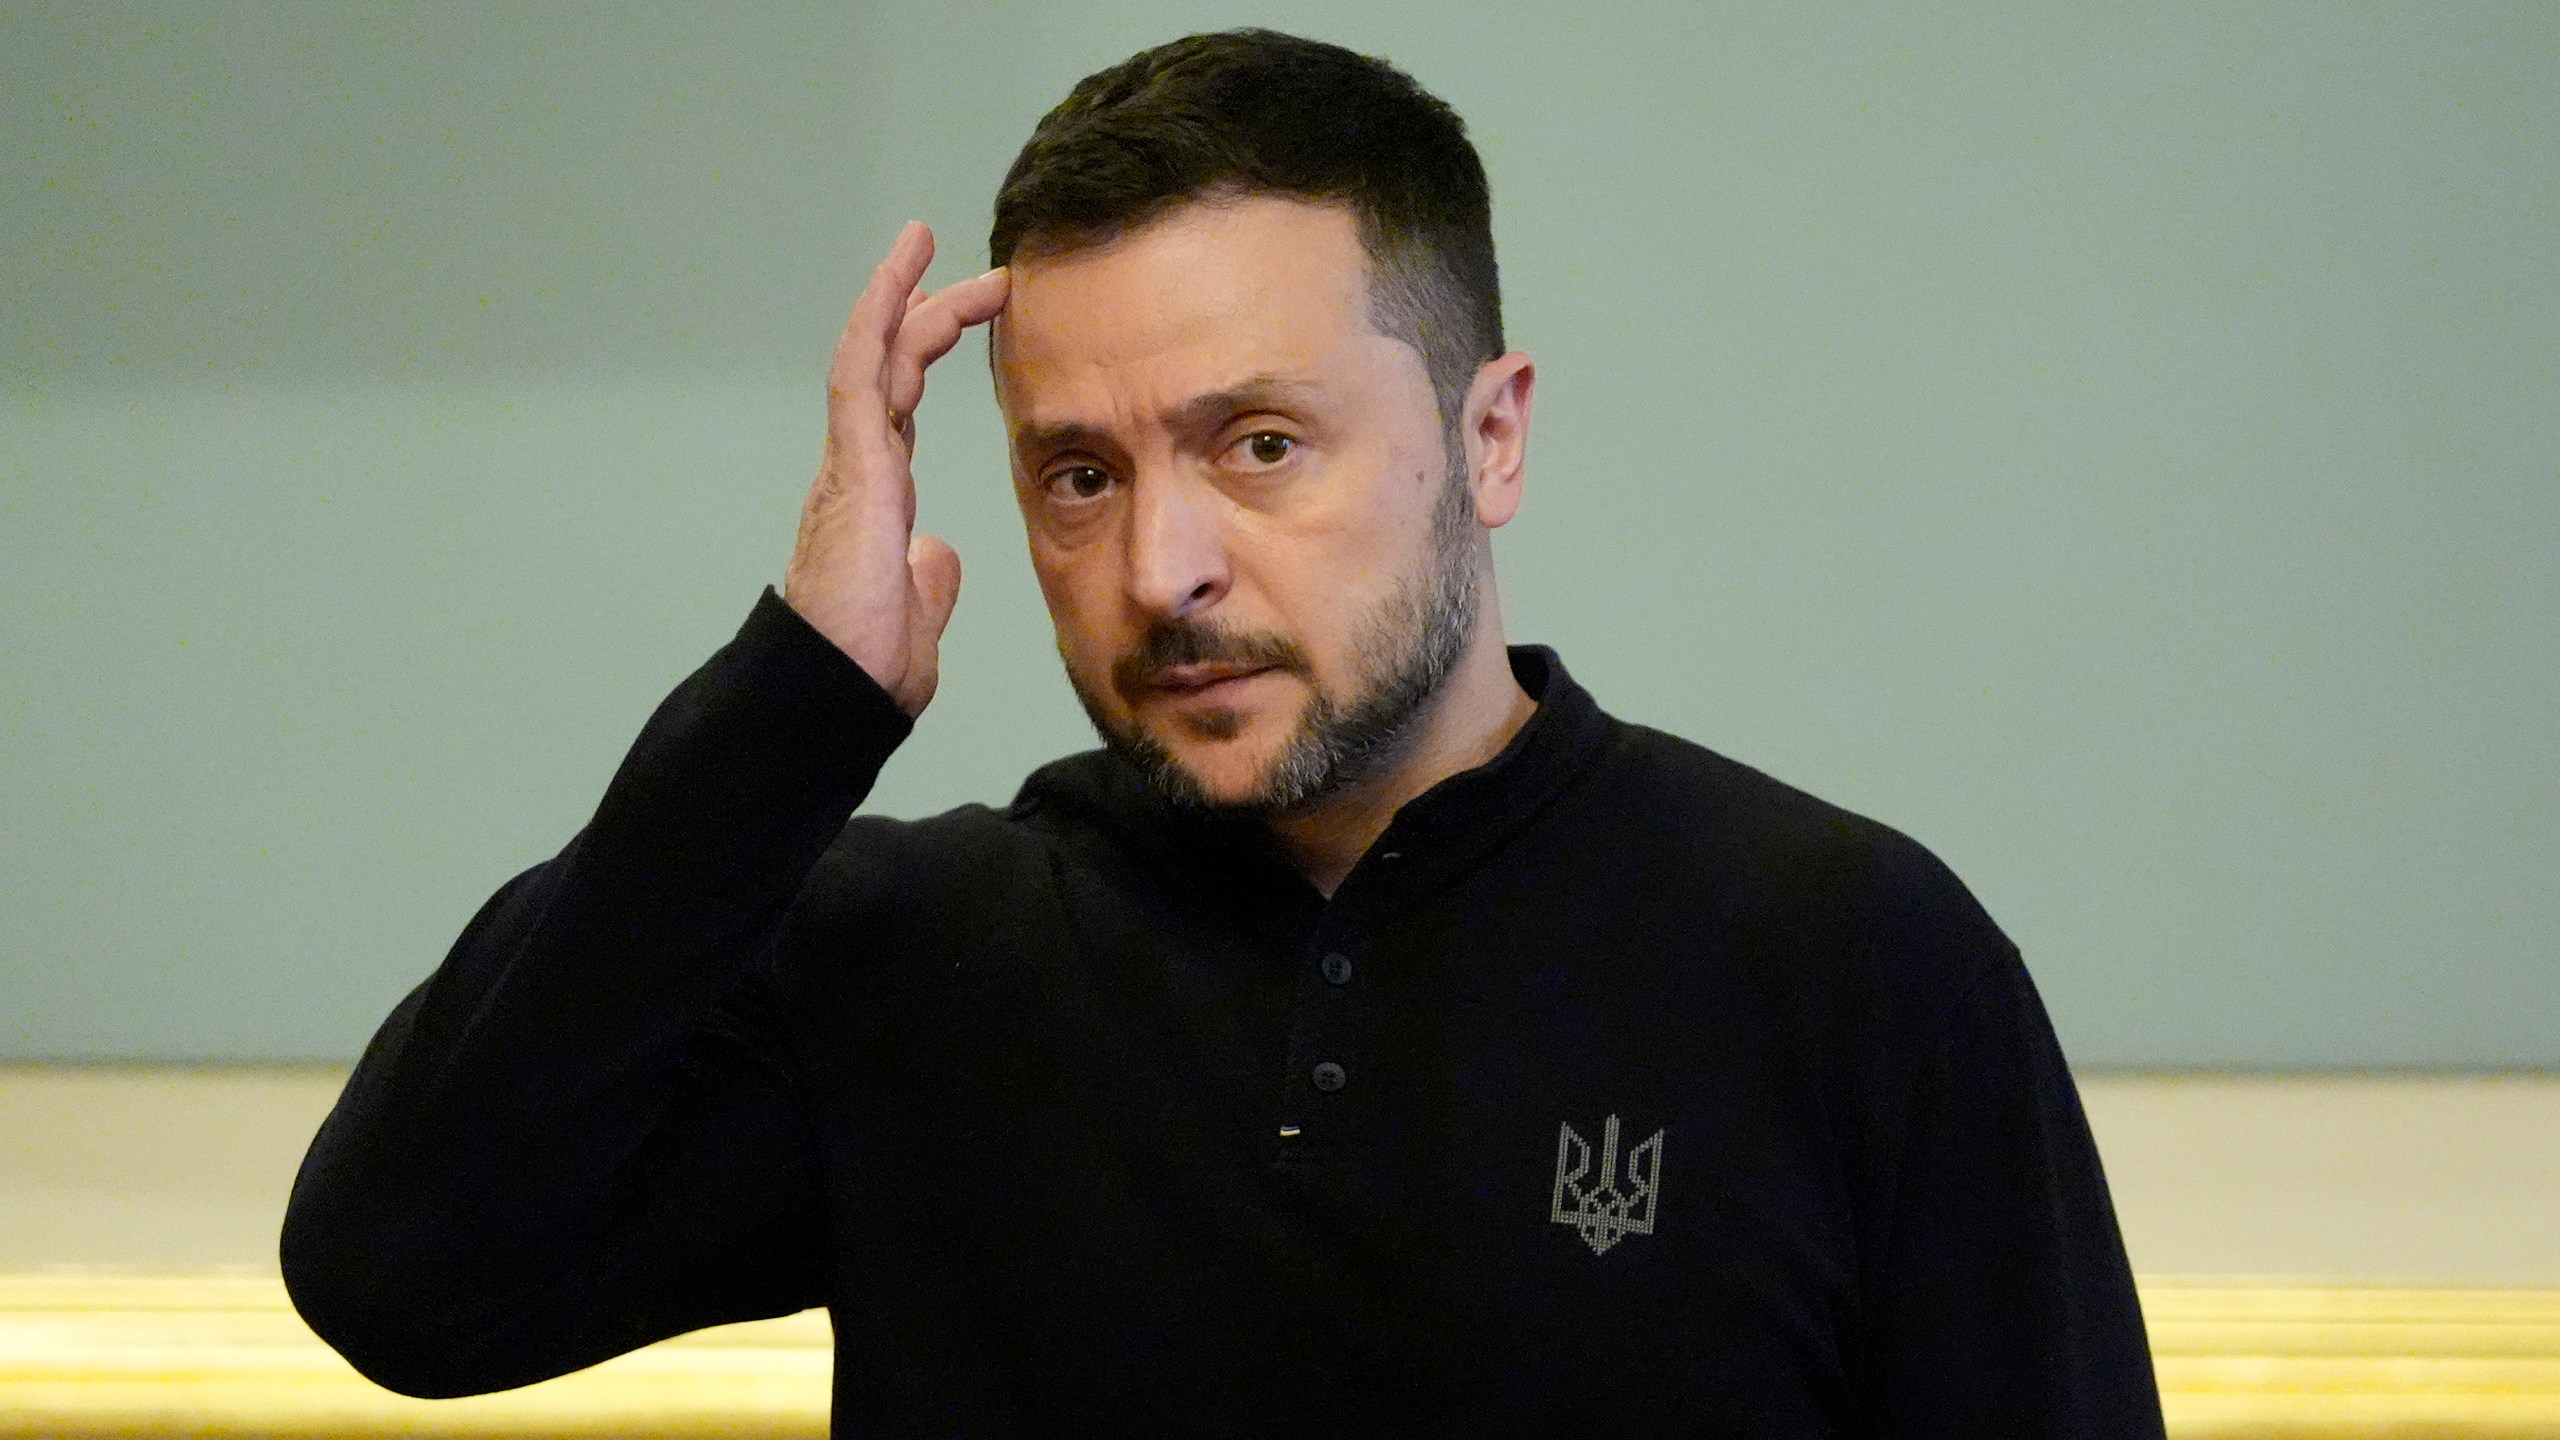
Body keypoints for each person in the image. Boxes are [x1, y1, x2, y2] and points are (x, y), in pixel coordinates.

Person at [282, 28, 2166, 1437]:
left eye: (1259, 445)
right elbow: (405, 1279)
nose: (1161, 564)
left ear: (1488, 435)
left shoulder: (1844, 957)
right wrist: (791, 704)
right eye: (1077, 476)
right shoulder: (914, 956)